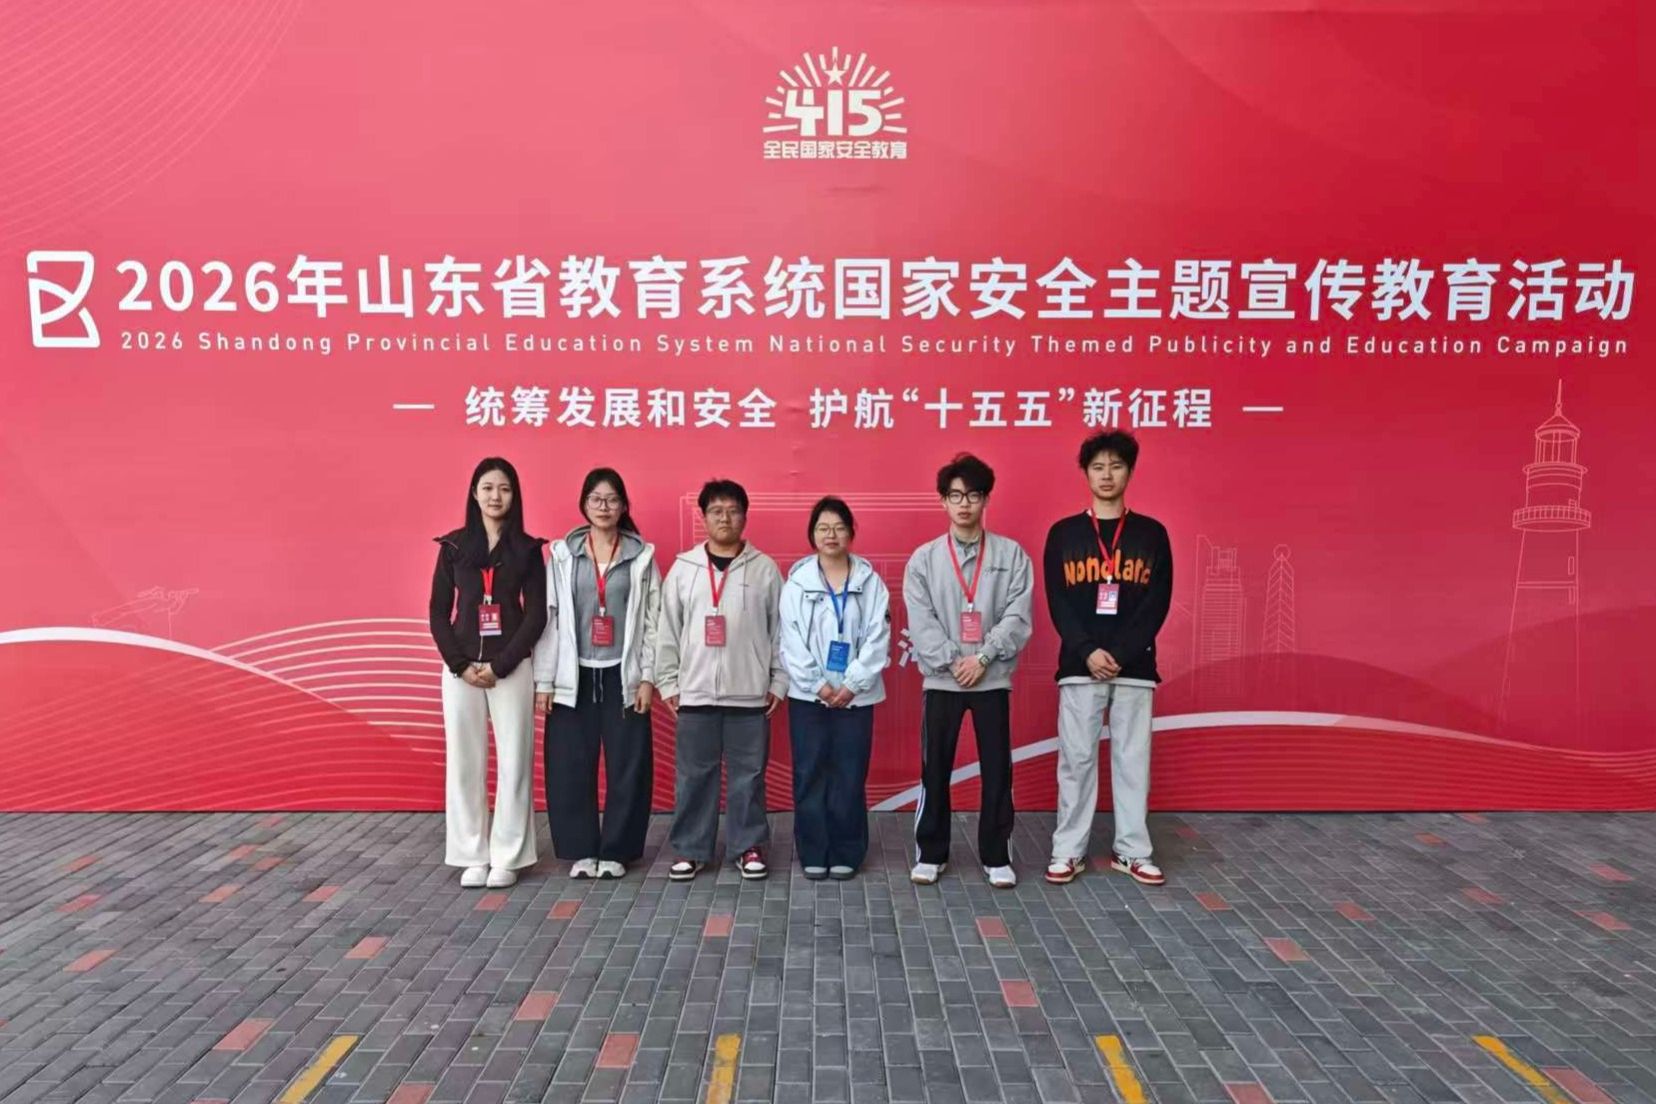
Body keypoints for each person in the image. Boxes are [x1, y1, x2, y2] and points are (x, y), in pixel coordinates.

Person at [1043, 430, 1173, 887]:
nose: (1106, 475)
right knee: (1076, 760)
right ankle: (1068, 850)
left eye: (1116, 466)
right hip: (1080, 667)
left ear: (1130, 472)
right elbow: (1058, 601)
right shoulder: (1064, 534)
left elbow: (1157, 603)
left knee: (1132, 760)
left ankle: (1132, 851)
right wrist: (1088, 651)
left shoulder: (1152, 534)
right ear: (1085, 473)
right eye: (1098, 467)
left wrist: (1118, 652)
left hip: (1134, 668)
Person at [902, 454, 1035, 888]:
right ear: (942, 501)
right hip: (942, 680)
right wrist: (951, 660)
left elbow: (1018, 614)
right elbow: (920, 620)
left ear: (986, 500)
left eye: (973, 495)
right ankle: (931, 853)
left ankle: (997, 855)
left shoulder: (1011, 555)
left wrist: (983, 657)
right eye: (955, 496)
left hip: (991, 678)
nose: (964, 504)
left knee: (997, 769)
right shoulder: (924, 560)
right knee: (934, 768)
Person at [655, 479, 787, 880]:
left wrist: (778, 681)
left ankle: (748, 846)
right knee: (694, 775)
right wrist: (668, 682)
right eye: (716, 511)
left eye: (732, 511)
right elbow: (667, 629)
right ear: (704, 517)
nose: (725, 518)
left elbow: (781, 632)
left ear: (745, 517)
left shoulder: (764, 569)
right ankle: (691, 849)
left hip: (749, 692)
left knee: (749, 776)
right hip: (695, 692)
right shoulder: (684, 568)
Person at [533, 468, 661, 880]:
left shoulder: (641, 556)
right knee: (570, 765)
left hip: (623, 675)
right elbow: (550, 619)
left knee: (629, 765)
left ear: (624, 506)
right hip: (575, 675)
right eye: (596, 499)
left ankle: (618, 850)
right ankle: (582, 850)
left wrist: (647, 677)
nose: (604, 507)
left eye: (612, 500)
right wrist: (545, 681)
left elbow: (653, 621)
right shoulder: (562, 555)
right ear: (584, 505)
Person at [428, 457, 547, 889]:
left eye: (505, 489)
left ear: (515, 496)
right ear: (474, 493)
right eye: (488, 488)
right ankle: (471, 853)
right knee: (465, 761)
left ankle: (509, 855)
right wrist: (460, 665)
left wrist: (500, 665)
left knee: (514, 761)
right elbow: (438, 612)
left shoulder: (528, 550)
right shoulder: (454, 547)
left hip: (510, 668)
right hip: (460, 671)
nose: (496, 496)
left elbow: (536, 615)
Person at [779, 497, 892, 880]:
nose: (831, 535)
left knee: (849, 772)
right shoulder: (797, 583)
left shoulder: (870, 583)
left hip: (857, 698)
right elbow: (790, 641)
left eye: (839, 527)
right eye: (823, 528)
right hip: (809, 697)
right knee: (809, 771)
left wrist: (852, 684)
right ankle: (813, 849)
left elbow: (878, 637)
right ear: (812, 534)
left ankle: (847, 850)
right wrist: (819, 685)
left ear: (851, 533)